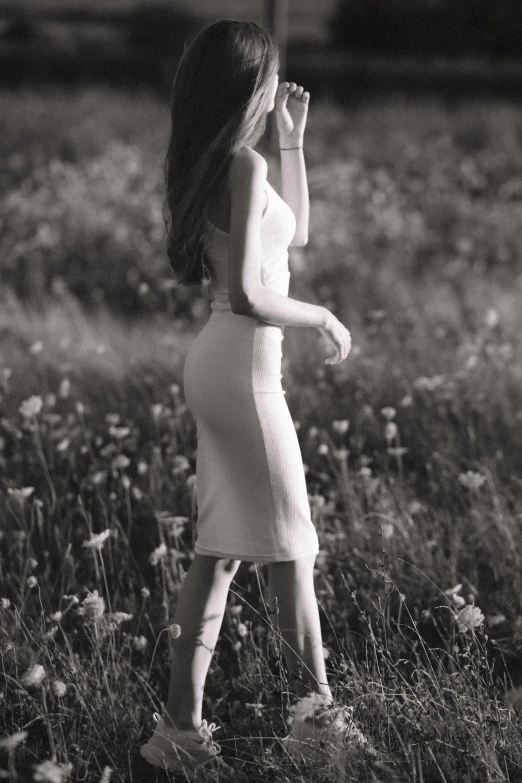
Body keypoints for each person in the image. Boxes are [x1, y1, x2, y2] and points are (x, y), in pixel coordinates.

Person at [140, 19, 353, 776]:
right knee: (291, 547)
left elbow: (290, 239)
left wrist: (294, 141)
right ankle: (317, 725)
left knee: (219, 555)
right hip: (244, 369)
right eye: (269, 82)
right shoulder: (241, 165)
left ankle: (179, 735)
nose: (276, 92)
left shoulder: (223, 161)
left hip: (221, 365)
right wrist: (322, 315)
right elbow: (252, 291)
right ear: (247, 86)